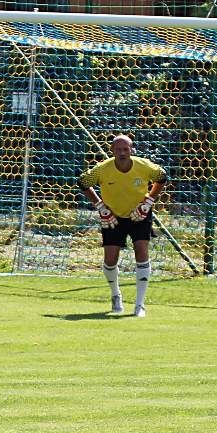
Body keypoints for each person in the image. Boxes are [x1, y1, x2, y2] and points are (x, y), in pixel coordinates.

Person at [78, 133, 167, 317]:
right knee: (110, 259)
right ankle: (115, 295)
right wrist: (101, 207)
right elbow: (83, 182)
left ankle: (140, 305)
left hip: (139, 215)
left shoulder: (144, 166)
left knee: (141, 251)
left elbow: (162, 177)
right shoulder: (102, 169)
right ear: (112, 150)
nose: (122, 153)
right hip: (113, 217)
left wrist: (148, 202)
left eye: (126, 149)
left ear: (132, 149)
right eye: (118, 149)